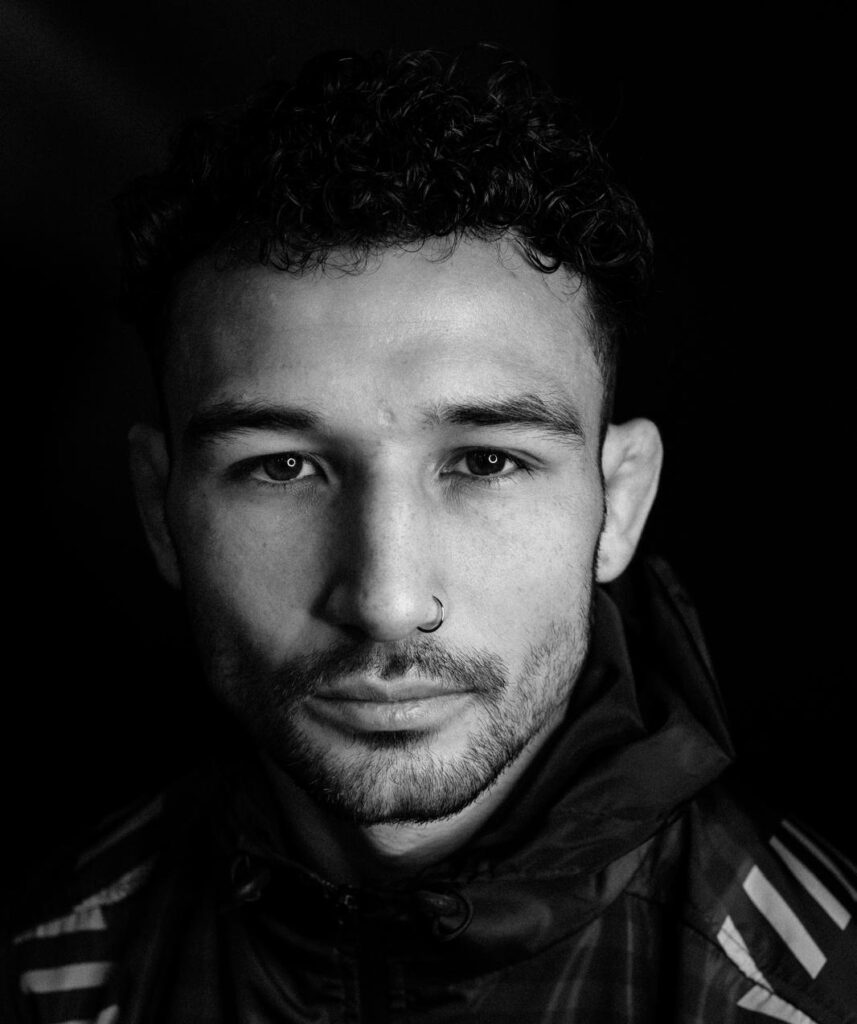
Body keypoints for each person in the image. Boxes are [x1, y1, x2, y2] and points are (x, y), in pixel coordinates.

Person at [3, 45, 855, 1024]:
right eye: (282, 467)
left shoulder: (803, 998)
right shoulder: (43, 980)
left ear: (617, 503)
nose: (387, 600)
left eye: (485, 461)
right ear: (161, 512)